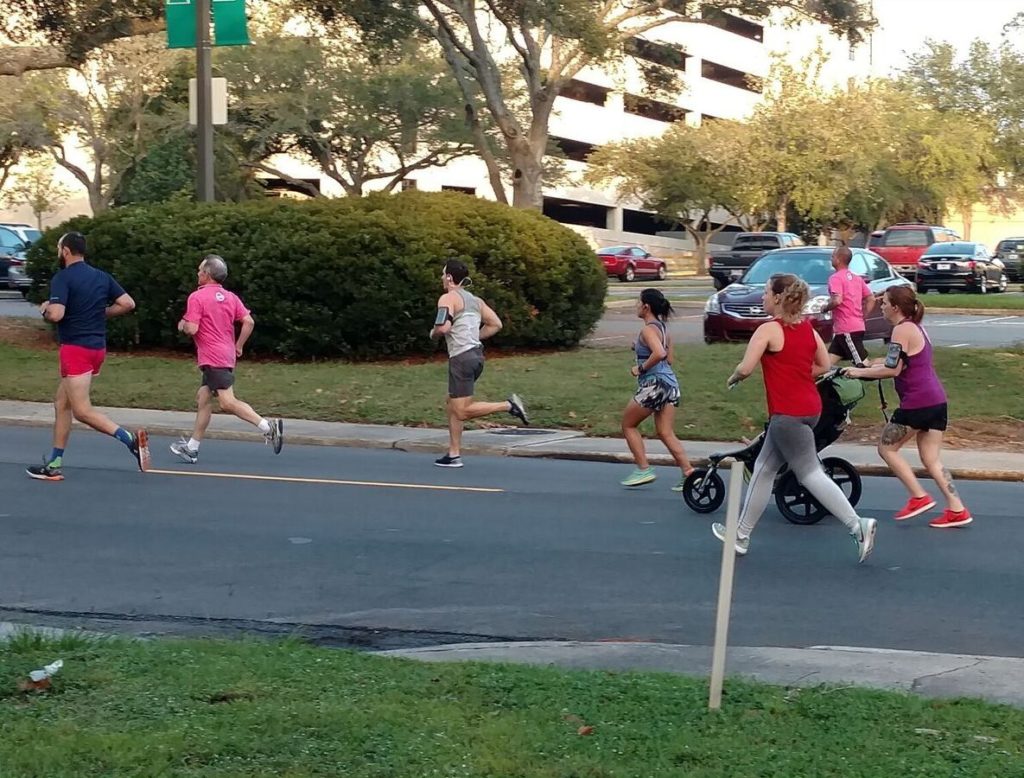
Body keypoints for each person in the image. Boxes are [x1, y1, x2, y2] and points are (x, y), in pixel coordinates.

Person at [713, 273, 877, 563]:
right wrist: (798, 373)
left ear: (777, 298)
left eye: (765, 293)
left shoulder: (768, 330)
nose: (762, 297)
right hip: (810, 409)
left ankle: (857, 525)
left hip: (788, 414)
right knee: (764, 469)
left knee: (808, 473)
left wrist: (734, 377)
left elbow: (747, 367)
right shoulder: (808, 329)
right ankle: (740, 535)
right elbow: (824, 365)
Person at [843, 287, 970, 528]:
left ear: (896, 308)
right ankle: (957, 509)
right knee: (931, 459)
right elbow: (901, 361)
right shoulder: (916, 327)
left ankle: (918, 497)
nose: (881, 307)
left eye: (884, 303)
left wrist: (858, 372)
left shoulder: (901, 329)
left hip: (917, 402)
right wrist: (872, 363)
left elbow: (893, 370)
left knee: (886, 449)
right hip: (936, 401)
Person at [26, 232, 149, 481]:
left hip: (76, 349)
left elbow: (57, 314)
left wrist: (45, 309)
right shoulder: (101, 276)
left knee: (81, 411)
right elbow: (127, 303)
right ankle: (54, 463)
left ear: (66, 251)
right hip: (96, 348)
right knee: (62, 403)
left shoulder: (63, 278)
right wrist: (101, 313)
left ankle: (130, 440)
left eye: (60, 248)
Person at [169, 255, 282, 463]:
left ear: (207, 275)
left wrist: (182, 325)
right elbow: (248, 322)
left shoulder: (197, 297)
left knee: (227, 402)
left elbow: (192, 328)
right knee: (203, 398)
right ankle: (192, 448)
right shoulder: (230, 297)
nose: (197, 273)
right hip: (226, 354)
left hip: (212, 357)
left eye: (200, 270)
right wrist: (238, 346)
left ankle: (268, 427)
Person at [429, 259, 528, 468]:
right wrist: (474, 336)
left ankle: (509, 406)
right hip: (476, 357)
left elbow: (443, 327)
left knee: (462, 411)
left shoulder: (447, 298)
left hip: (462, 359)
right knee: (452, 404)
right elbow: (496, 324)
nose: (441, 278)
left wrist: (433, 333)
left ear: (449, 278)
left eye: (442, 274)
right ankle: (453, 454)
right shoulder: (476, 301)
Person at [619, 288, 694, 489]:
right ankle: (689, 473)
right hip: (671, 385)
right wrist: (639, 348)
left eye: (638, 302)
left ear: (646, 307)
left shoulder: (647, 330)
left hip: (655, 385)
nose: (636, 306)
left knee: (628, 425)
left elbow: (660, 353)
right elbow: (669, 358)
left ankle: (643, 469)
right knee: (665, 432)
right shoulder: (663, 329)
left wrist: (640, 367)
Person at [825, 245, 875, 366]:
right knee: (825, 366)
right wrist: (863, 317)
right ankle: (815, 382)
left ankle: (891, 365)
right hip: (851, 328)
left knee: (863, 366)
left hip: (847, 330)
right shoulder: (857, 278)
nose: (831, 259)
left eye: (832, 256)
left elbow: (837, 300)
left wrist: (825, 308)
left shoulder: (835, 278)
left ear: (838, 259)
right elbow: (871, 298)